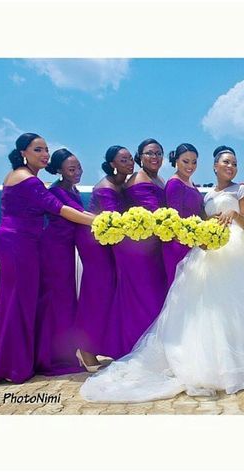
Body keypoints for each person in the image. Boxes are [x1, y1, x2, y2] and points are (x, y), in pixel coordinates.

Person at [80, 145, 244, 402]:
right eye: (225, 162)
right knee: (206, 308)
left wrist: (233, 214)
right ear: (215, 166)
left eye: (234, 163)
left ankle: (235, 355)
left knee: (233, 306)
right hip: (200, 247)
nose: (231, 166)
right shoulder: (198, 191)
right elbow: (183, 216)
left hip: (231, 249)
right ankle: (202, 359)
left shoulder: (237, 189)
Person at [0, 133, 93, 385]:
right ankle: (12, 365)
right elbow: (60, 209)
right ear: (24, 152)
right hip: (18, 243)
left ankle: (12, 361)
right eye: (38, 150)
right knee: (18, 304)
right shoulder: (27, 180)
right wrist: (100, 220)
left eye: (46, 149)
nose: (45, 154)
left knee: (18, 303)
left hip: (22, 242)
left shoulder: (24, 177)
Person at [103, 138, 168, 359]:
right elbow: (153, 212)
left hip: (152, 247)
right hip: (137, 250)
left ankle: (151, 347)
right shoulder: (139, 179)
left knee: (154, 297)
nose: (155, 157)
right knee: (145, 298)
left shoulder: (157, 178)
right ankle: (138, 350)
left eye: (159, 153)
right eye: (149, 153)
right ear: (140, 156)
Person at [74, 145, 134, 371]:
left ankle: (103, 346)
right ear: (112, 164)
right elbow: (115, 221)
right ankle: (85, 351)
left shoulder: (122, 184)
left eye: (130, 158)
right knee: (96, 297)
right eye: (123, 159)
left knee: (109, 298)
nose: (129, 162)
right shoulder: (106, 187)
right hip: (96, 246)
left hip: (111, 244)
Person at [35, 148, 89, 376]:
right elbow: (74, 216)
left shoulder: (72, 189)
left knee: (66, 300)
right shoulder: (55, 192)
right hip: (53, 251)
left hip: (66, 250)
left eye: (79, 167)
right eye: (71, 169)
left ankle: (64, 353)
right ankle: (50, 356)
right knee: (56, 301)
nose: (77, 172)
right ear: (59, 170)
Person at [163, 143, 204, 287]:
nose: (190, 166)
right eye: (185, 161)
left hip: (191, 243)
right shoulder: (175, 184)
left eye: (194, 162)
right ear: (176, 161)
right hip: (178, 246)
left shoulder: (188, 182)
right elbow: (175, 221)